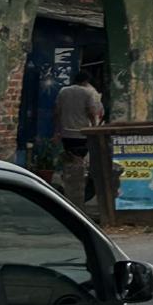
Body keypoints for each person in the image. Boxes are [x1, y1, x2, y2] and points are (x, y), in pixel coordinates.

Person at [52, 71, 104, 205]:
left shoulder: (63, 91)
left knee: (70, 160)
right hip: (82, 133)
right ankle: (77, 194)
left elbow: (57, 112)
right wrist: (94, 127)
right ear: (86, 81)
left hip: (66, 133)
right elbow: (91, 112)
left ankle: (69, 188)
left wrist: (57, 131)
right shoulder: (87, 93)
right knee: (79, 162)